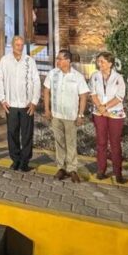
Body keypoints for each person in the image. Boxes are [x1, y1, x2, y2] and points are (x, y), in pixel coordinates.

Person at [43, 50, 90, 183]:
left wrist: (80, 114)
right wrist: (47, 109)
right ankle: (61, 168)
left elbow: (83, 96)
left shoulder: (77, 77)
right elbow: (46, 91)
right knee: (59, 142)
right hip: (56, 114)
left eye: (60, 59)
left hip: (71, 116)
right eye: (57, 58)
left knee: (71, 143)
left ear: (68, 61)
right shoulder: (52, 74)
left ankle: (72, 169)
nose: (57, 61)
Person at [0, 35, 41, 172]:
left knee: (27, 134)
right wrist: (2, 99)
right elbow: (0, 80)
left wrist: (34, 102)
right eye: (17, 45)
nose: (20, 47)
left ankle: (25, 161)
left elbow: (36, 81)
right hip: (11, 104)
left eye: (22, 45)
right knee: (12, 133)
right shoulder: (5, 60)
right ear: (12, 45)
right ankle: (15, 160)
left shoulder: (29, 61)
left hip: (26, 105)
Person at [89, 51, 128, 183]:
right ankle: (101, 170)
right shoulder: (94, 76)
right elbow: (93, 93)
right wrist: (100, 107)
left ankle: (118, 173)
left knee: (115, 143)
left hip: (114, 113)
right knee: (101, 142)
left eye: (102, 61)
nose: (99, 64)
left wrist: (105, 107)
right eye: (98, 61)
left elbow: (119, 97)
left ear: (110, 63)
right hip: (99, 112)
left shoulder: (119, 78)